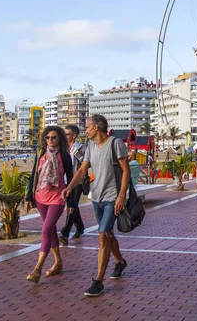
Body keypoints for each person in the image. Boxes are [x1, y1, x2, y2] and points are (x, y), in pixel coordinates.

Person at [62, 114, 129, 297]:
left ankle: (98, 281)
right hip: (96, 197)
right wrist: (69, 187)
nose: (86, 130)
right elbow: (83, 170)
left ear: (96, 128)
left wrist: (121, 196)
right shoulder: (91, 146)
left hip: (112, 197)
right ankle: (120, 261)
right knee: (108, 234)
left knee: (102, 235)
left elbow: (126, 171)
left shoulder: (116, 143)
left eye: (88, 127)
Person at [25, 126, 73, 284]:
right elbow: (34, 176)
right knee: (50, 230)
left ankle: (37, 268)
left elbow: (71, 179)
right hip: (40, 197)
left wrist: (71, 202)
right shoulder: (40, 154)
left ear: (59, 138)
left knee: (46, 229)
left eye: (53, 137)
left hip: (57, 198)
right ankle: (58, 263)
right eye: (47, 137)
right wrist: (28, 197)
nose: (50, 140)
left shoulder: (64, 156)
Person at [59, 125, 86, 245]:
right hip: (64, 181)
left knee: (72, 205)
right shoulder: (62, 148)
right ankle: (80, 227)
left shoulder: (81, 147)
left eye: (67, 134)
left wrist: (77, 155)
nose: (64, 136)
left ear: (73, 135)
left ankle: (65, 232)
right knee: (73, 206)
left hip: (77, 181)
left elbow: (86, 162)